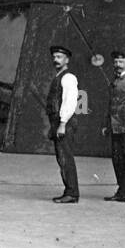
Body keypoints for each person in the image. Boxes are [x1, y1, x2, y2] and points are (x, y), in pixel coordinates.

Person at [47, 45, 80, 203]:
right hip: (58, 122)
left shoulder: (68, 77)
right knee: (62, 158)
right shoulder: (58, 76)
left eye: (59, 57)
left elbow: (70, 102)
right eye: (54, 57)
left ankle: (72, 193)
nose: (56, 60)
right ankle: (69, 191)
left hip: (64, 122)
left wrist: (62, 124)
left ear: (67, 60)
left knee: (65, 158)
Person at [104, 50, 125, 203]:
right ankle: (123, 192)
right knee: (118, 161)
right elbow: (111, 105)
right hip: (116, 128)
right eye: (115, 62)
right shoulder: (116, 80)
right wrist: (106, 124)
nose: (117, 65)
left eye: (121, 62)